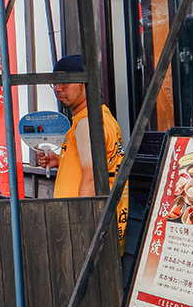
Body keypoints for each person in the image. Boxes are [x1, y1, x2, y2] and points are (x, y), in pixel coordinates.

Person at [36, 54, 128, 247]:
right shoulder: (95, 118)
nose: (58, 88)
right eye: (55, 82)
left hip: (85, 232)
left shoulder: (88, 123)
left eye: (65, 81)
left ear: (85, 82)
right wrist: (59, 160)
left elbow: (92, 178)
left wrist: (82, 229)